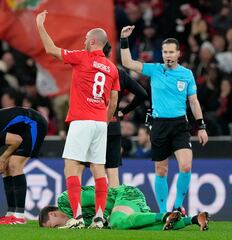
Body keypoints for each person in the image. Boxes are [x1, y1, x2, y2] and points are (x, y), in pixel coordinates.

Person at [36, 10, 120, 229]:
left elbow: (50, 50)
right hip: (101, 123)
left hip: (81, 121)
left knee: (71, 168)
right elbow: (113, 102)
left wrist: (40, 25)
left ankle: (78, 218)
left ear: (93, 41)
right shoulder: (112, 68)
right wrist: (103, 120)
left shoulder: (82, 57)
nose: (83, 43)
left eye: (85, 40)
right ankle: (100, 218)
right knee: (98, 170)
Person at [119, 25, 209, 214]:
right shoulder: (155, 69)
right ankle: (162, 213)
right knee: (161, 171)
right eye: (165, 52)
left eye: (171, 52)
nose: (168, 55)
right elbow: (127, 62)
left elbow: (193, 101)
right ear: (161, 53)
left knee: (186, 165)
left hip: (179, 125)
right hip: (159, 125)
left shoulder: (186, 74)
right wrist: (124, 39)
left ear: (178, 54)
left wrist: (201, 126)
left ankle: (177, 206)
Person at [39, 185, 209, 231]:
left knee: (117, 222)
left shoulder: (65, 200)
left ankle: (165, 215)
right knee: (142, 229)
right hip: (126, 207)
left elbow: (100, 195)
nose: (59, 228)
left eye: (55, 225)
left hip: (124, 195)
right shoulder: (78, 222)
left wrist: (110, 216)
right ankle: (194, 219)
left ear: (53, 213)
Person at [103, 41, 148, 187]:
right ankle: (114, 207)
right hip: (114, 124)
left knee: (96, 169)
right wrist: (123, 112)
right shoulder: (119, 73)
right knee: (113, 170)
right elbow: (142, 94)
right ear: (110, 54)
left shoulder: (89, 71)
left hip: (94, 123)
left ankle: (99, 208)